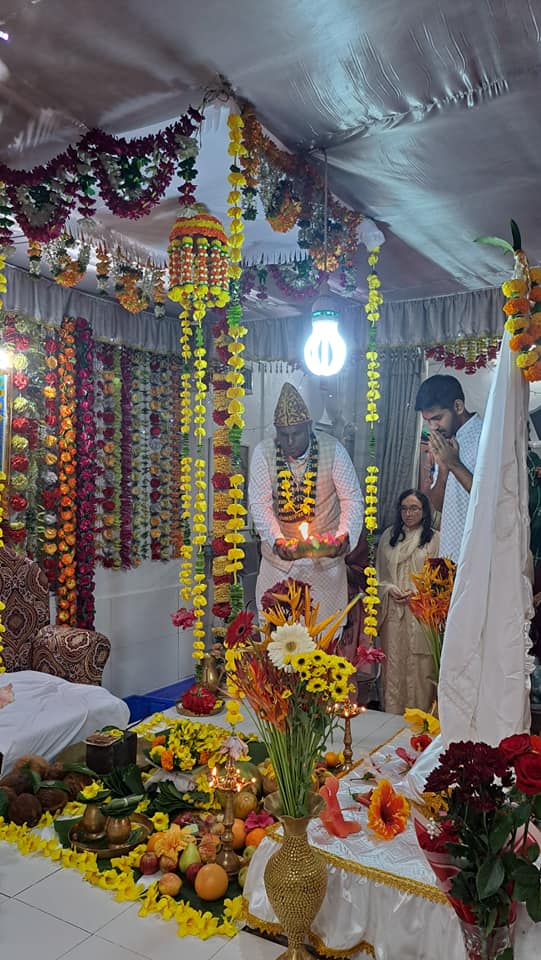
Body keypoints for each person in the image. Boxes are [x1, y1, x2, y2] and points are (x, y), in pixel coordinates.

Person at [248, 382, 364, 628]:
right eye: (284, 434)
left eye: (297, 433)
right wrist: (276, 540)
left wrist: (344, 538)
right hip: (278, 565)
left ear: (309, 427)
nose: (290, 441)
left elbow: (351, 499)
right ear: (276, 431)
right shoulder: (263, 453)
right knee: (275, 637)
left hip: (325, 565)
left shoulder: (334, 450)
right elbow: (260, 504)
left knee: (325, 636)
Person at [376, 489, 440, 714]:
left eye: (414, 508)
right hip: (394, 611)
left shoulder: (434, 539)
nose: (408, 513)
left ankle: (421, 717)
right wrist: (388, 589)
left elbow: (441, 580)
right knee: (393, 662)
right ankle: (391, 715)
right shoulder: (389, 537)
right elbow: (378, 577)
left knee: (420, 666)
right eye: (404, 508)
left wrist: (418, 593)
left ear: (424, 511)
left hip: (421, 612)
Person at [415, 374, 483, 563]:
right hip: (450, 551)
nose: (433, 427)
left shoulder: (485, 437)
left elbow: (490, 500)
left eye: (437, 418)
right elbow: (439, 506)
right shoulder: (446, 442)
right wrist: (444, 468)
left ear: (458, 406)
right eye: (428, 420)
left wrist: (454, 463)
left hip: (479, 553)